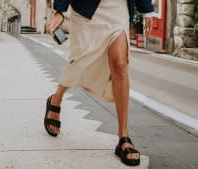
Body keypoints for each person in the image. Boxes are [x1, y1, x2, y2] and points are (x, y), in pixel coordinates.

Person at [44, 0, 153, 166]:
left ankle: (124, 136)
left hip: (118, 9)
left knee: (120, 64)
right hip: (85, 11)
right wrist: (59, 9)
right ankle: (56, 100)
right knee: (80, 63)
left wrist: (146, 9)